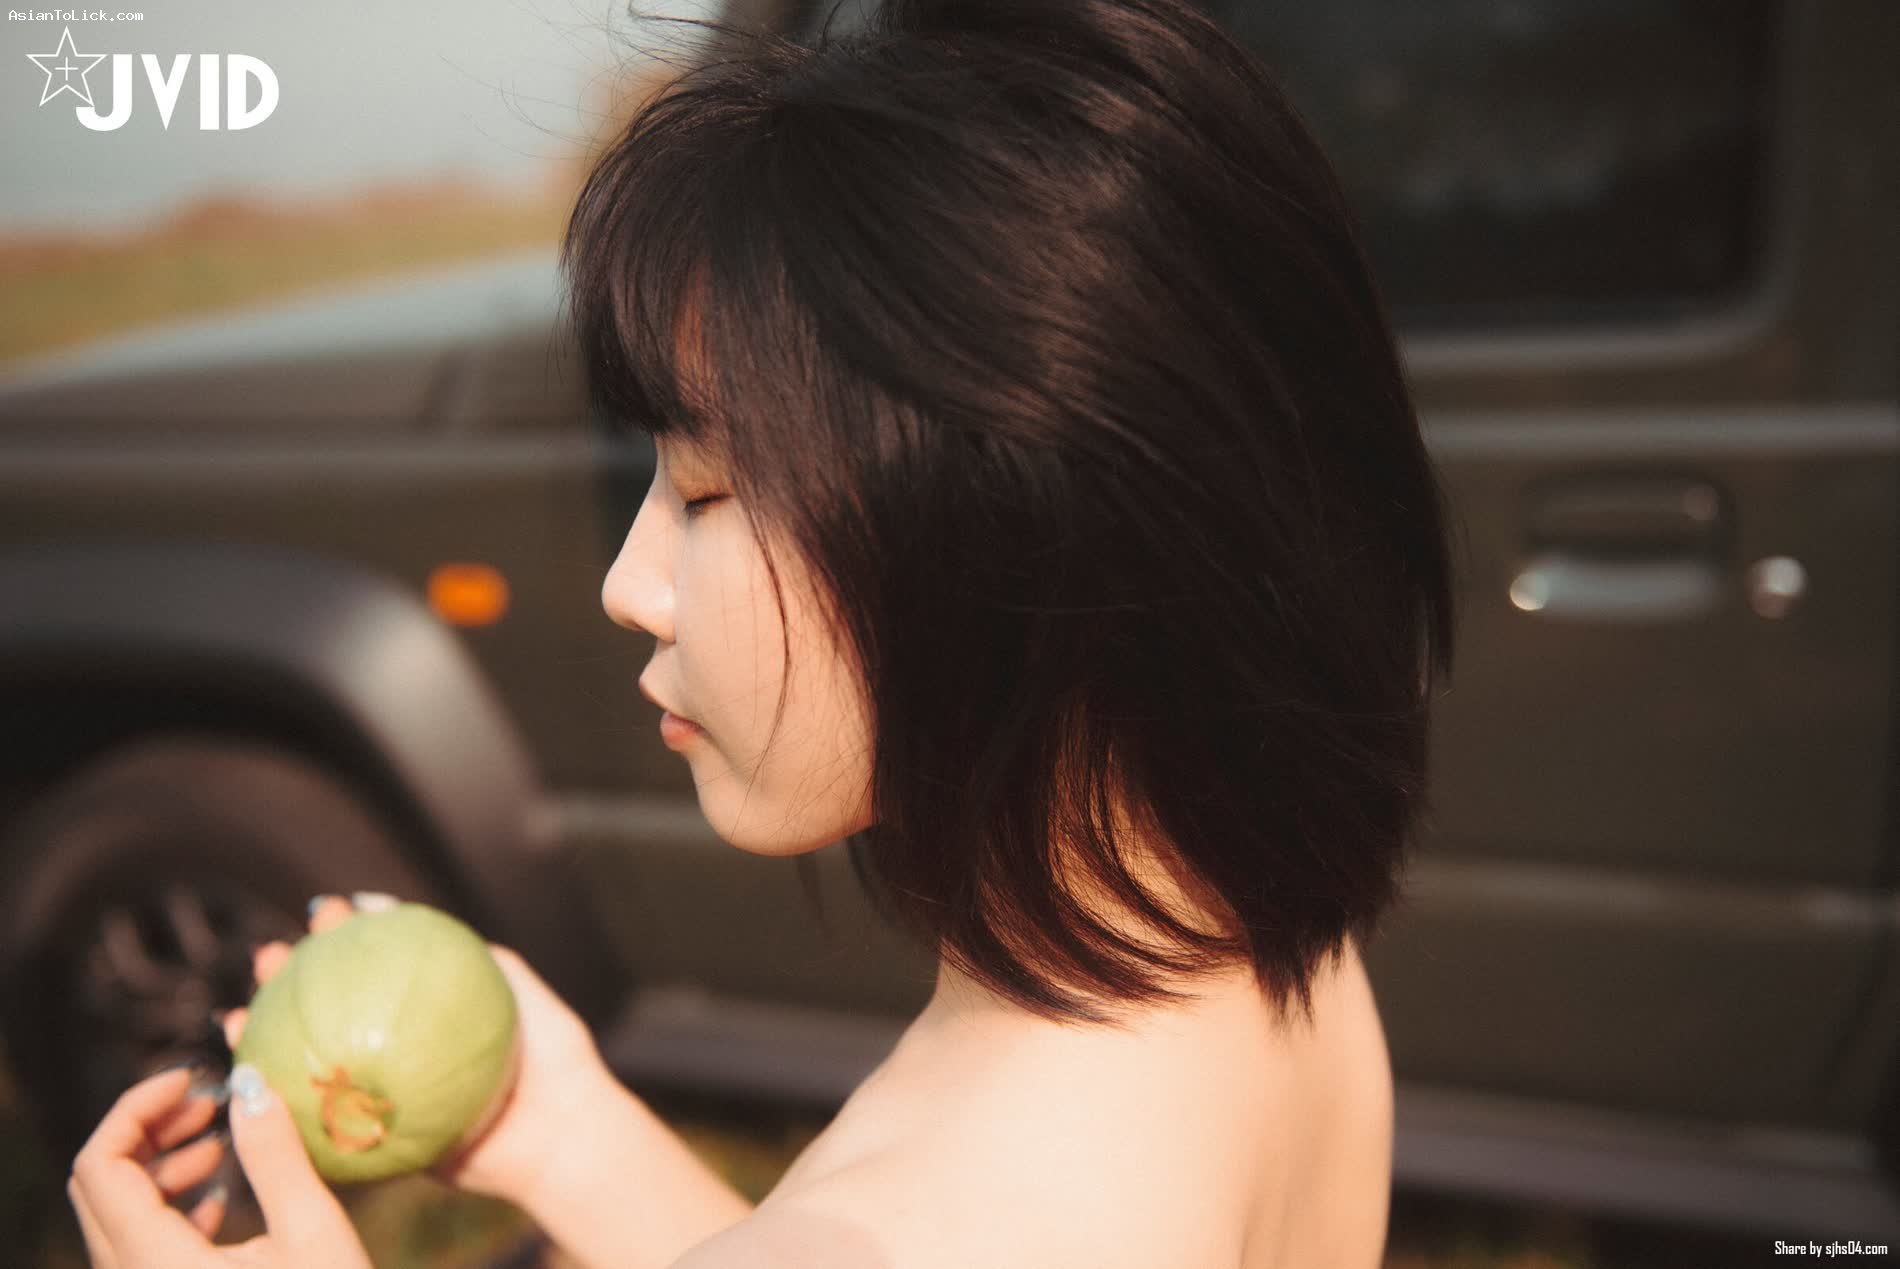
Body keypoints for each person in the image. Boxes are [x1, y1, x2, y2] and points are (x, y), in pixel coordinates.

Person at [66, 0, 1458, 1264]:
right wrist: (562, 1133)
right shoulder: (1242, 942)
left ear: (995, 530)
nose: (630, 582)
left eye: (704, 490)